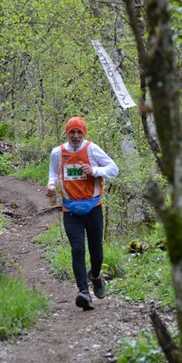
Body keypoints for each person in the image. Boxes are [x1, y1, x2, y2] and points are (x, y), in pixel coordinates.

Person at [46, 116, 119, 311]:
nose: (76, 136)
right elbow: (54, 173)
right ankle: (84, 293)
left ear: (84, 133)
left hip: (93, 208)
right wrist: (51, 185)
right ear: (67, 133)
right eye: (72, 132)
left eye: (79, 132)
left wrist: (94, 170)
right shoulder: (57, 153)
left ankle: (95, 276)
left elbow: (114, 169)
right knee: (77, 249)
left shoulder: (92, 149)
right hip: (70, 209)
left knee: (97, 253)